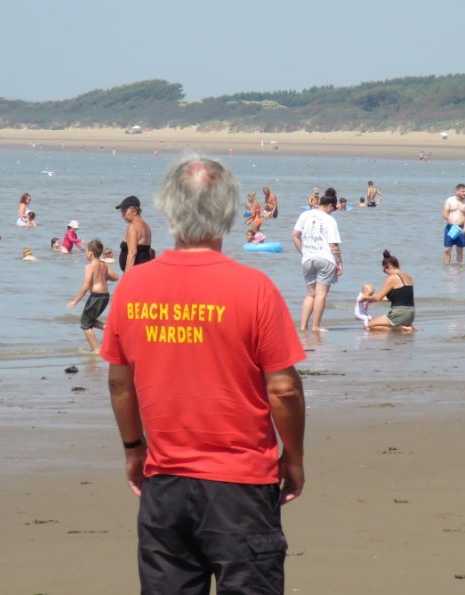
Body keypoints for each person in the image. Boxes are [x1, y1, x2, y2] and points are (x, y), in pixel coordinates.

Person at [101, 155, 306, 593]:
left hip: (166, 484)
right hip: (241, 487)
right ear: (229, 212)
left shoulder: (132, 287)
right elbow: (284, 389)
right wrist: (294, 455)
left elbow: (120, 384)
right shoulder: (255, 289)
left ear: (168, 210)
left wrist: (134, 449)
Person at [292, 189, 342, 332]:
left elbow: (294, 235)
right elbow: (334, 245)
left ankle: (302, 327)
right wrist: (339, 263)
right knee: (321, 294)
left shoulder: (305, 214)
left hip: (308, 259)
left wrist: (304, 252)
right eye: (333, 210)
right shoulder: (330, 220)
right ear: (331, 206)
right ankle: (316, 326)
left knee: (310, 294)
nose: (333, 212)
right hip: (325, 258)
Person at [67, 239, 119, 353]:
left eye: (86, 251)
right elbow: (116, 277)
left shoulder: (89, 267)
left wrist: (75, 301)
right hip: (105, 296)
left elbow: (85, 286)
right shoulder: (103, 264)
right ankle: (107, 328)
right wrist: (104, 277)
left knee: (85, 325)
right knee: (90, 320)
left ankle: (96, 350)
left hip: (96, 296)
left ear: (90, 253)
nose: (85, 253)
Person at [361, 250, 415, 331]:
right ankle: (406, 327)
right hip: (411, 314)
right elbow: (399, 297)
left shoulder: (392, 278)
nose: (385, 273)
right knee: (378, 325)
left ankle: (402, 328)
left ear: (389, 266)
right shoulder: (408, 276)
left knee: (369, 326)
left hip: (399, 313)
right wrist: (371, 300)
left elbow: (378, 297)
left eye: (384, 270)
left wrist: (365, 298)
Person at [116, 195, 154, 272]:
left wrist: (127, 276)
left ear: (134, 211)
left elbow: (132, 253)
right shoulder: (147, 226)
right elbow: (150, 251)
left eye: (124, 211)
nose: (123, 215)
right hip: (144, 270)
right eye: (122, 212)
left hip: (135, 272)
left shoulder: (132, 227)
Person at [442, 183, 465, 265]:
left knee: (460, 250)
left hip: (461, 228)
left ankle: (459, 268)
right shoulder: (450, 200)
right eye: (463, 191)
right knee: (447, 250)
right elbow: (444, 213)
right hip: (451, 227)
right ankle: (447, 267)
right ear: (457, 191)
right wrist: (448, 218)